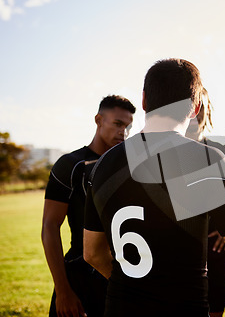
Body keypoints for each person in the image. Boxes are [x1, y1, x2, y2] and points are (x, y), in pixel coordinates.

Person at [83, 58, 225, 317]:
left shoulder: (102, 164)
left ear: (144, 101)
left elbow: (92, 253)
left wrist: (136, 288)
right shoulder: (204, 160)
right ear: (195, 107)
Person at [41, 95, 136, 317]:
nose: (124, 132)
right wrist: (63, 291)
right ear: (98, 120)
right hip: (79, 279)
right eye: (118, 124)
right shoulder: (70, 165)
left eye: (128, 126)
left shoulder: (132, 166)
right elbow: (49, 226)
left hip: (124, 276)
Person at [185, 89, 225, 317]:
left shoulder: (219, 151)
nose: (195, 114)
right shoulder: (161, 151)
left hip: (213, 252)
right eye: (190, 107)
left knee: (215, 305)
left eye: (200, 107)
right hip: (175, 253)